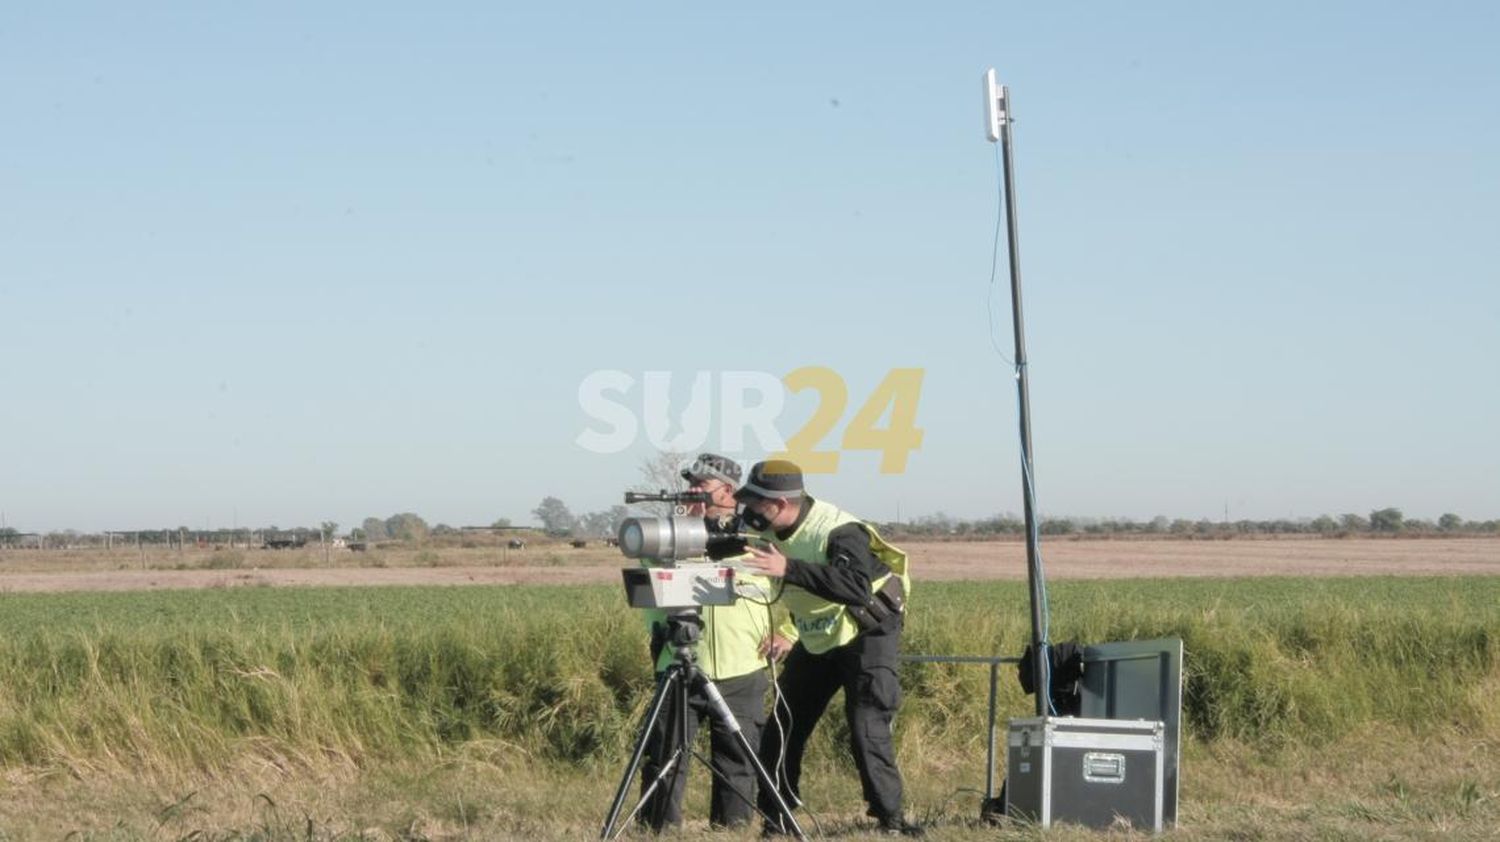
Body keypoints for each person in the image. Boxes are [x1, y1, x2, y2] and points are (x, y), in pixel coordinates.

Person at [738, 459, 922, 837]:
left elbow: (855, 585)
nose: (750, 510)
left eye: (757, 503)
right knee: (783, 726)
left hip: (869, 630)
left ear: (782, 503)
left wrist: (788, 568)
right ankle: (778, 818)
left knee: (866, 725)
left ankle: (892, 821)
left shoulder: (840, 530)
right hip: (820, 636)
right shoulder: (770, 532)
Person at [638, 453, 773, 830]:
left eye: (703, 484)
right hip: (677, 661)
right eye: (691, 483)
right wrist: (682, 525)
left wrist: (787, 634)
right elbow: (651, 583)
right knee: (664, 753)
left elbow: (788, 588)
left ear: (728, 491)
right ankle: (657, 829)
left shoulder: (756, 536)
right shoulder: (673, 533)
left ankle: (731, 830)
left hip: (741, 664)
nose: (693, 490)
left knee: (738, 757)